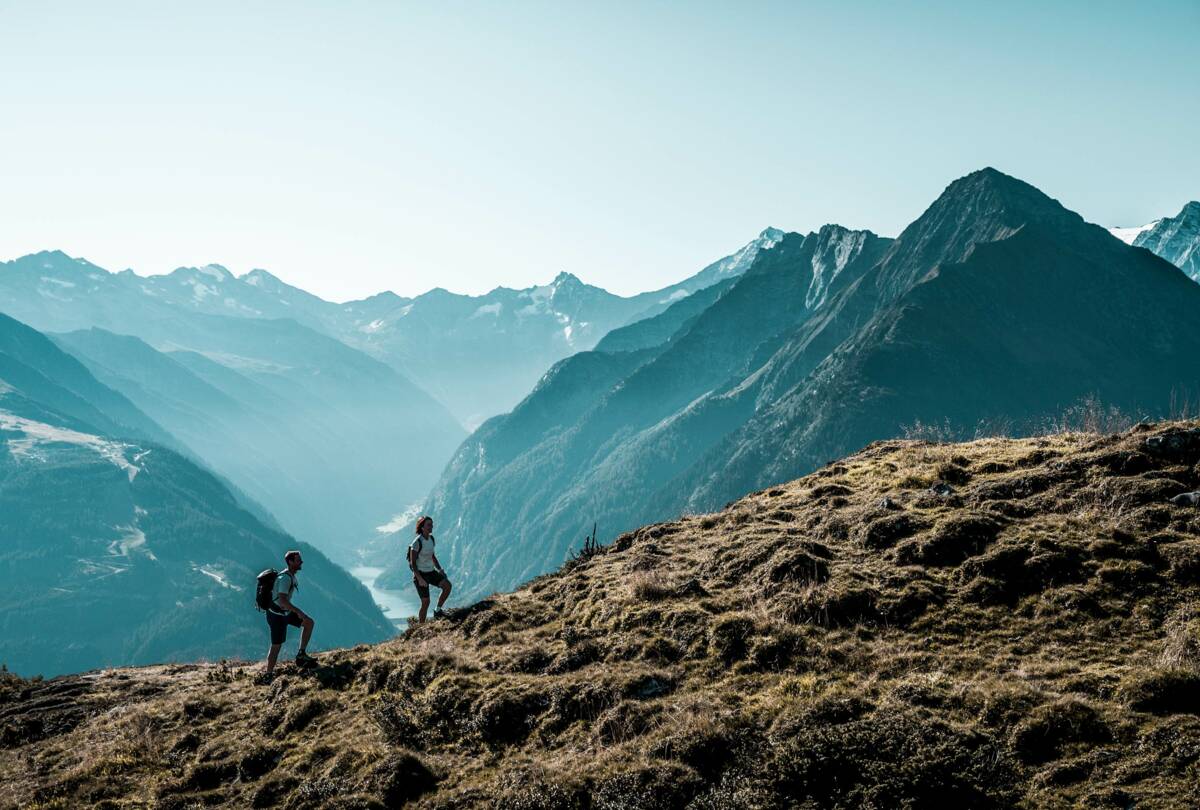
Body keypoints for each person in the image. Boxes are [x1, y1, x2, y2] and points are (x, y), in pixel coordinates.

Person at [263, 550, 316, 679]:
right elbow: (282, 601)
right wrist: (299, 612)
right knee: (276, 646)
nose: (301, 562)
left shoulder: (290, 575)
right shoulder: (285, 578)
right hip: (277, 616)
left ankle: (301, 654)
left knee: (309, 623)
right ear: (290, 562)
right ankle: (268, 675)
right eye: (298, 560)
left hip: (284, 613)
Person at [409, 515, 451, 622]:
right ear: (422, 527)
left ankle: (437, 610)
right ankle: (421, 627)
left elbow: (432, 556)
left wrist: (440, 569)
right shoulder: (417, 542)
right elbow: (413, 563)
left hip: (431, 572)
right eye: (428, 525)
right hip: (420, 574)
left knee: (447, 586)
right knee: (426, 602)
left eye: (432, 525)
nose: (431, 527)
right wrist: (420, 579)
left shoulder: (431, 539)